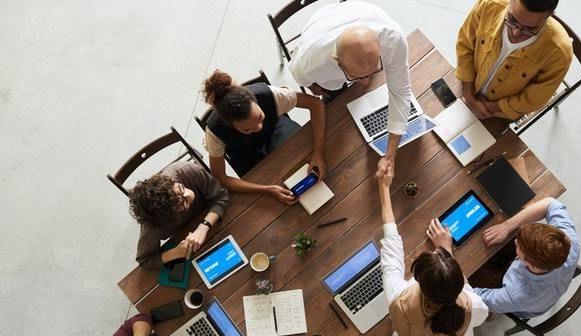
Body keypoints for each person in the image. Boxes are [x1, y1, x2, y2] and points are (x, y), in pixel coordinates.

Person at [376, 161, 488, 336]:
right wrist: (447, 249)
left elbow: (391, 247)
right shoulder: (472, 305)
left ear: (418, 281)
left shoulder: (399, 298)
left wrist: (383, 187)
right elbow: (479, 313)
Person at [288, 1, 412, 179]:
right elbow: (303, 79)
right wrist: (313, 86)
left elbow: (401, 93)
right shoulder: (309, 64)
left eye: (374, 70)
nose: (367, 82)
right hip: (321, 26)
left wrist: (390, 155)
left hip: (359, 11)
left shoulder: (393, 39)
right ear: (337, 61)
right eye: (358, 77)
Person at [201, 69, 326, 205]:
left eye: (259, 117)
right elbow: (220, 177)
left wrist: (318, 152)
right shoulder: (215, 133)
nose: (258, 127)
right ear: (230, 125)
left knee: (302, 156)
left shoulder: (270, 95)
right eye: (247, 129)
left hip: (275, 129)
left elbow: (316, 104)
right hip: (242, 151)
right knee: (265, 182)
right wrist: (268, 189)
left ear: (255, 100)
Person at [455, 0, 573, 120]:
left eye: (529, 28)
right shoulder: (489, 4)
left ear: (550, 14)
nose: (516, 32)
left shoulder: (559, 53)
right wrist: (468, 95)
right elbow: (465, 43)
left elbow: (535, 98)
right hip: (466, 86)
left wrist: (491, 108)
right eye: (512, 19)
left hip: (499, 114)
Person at [470, 197, 580, 319]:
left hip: (518, 301)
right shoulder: (568, 241)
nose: (516, 241)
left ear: (529, 264)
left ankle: (489, 316)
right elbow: (550, 203)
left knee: (466, 273)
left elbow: (474, 300)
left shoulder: (517, 295)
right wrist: (507, 226)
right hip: (545, 287)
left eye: (519, 246)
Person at [128, 161, 229, 268]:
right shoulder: (152, 223)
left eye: (181, 189)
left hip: (217, 220)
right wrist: (176, 252)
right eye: (182, 203)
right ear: (168, 217)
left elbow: (221, 196)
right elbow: (144, 260)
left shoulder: (186, 171)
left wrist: (203, 227)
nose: (188, 194)